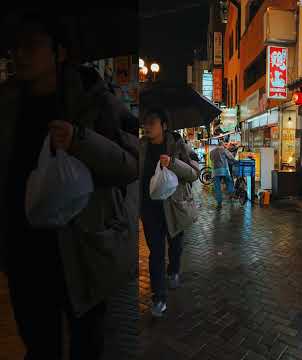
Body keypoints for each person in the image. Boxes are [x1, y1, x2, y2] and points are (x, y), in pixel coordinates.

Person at [0, 12, 139, 359]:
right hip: (24, 249)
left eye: (31, 45)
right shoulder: (6, 104)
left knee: (86, 344)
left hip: (82, 248)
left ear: (59, 52)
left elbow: (129, 165)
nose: (19, 54)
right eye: (15, 46)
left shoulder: (95, 99)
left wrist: (81, 141)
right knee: (38, 345)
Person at [140, 109, 198, 317]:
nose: (147, 126)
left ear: (164, 125)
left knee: (175, 244)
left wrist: (172, 163)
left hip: (174, 207)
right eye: (145, 122)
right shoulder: (141, 147)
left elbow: (194, 173)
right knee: (156, 253)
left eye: (152, 122)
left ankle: (174, 270)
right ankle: (159, 298)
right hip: (149, 209)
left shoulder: (178, 145)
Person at [210, 140, 236, 209]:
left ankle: (219, 203)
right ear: (222, 145)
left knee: (217, 187)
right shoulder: (224, 150)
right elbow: (231, 157)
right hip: (224, 170)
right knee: (229, 181)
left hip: (215, 171)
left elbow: (211, 159)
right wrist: (235, 161)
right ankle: (231, 193)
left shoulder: (212, 152)